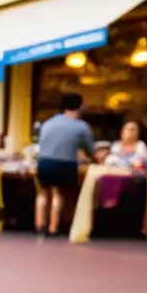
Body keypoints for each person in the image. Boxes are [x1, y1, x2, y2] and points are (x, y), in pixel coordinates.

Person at [35, 93, 94, 237]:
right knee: (58, 194)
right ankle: (53, 228)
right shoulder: (81, 127)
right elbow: (90, 149)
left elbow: (40, 143)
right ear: (80, 107)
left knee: (42, 193)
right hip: (65, 164)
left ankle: (39, 226)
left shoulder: (48, 123)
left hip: (44, 162)